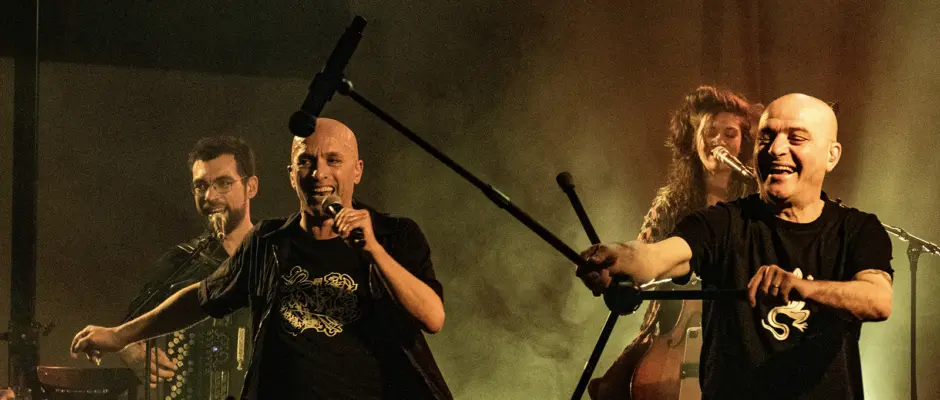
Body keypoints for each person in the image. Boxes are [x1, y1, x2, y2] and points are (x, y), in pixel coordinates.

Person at [71, 118, 452, 400]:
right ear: (291, 174)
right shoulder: (268, 242)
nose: (318, 173)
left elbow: (432, 316)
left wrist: (374, 251)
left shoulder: (394, 235)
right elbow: (200, 298)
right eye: (306, 161)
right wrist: (119, 335)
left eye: (333, 160)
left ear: (357, 170)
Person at [578, 94, 893, 399]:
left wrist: (804, 288)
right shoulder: (722, 223)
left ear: (831, 156)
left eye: (796, 138)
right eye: (766, 138)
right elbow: (656, 257)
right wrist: (618, 256)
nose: (775, 149)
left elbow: (877, 300)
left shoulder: (858, 229)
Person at [589, 86, 761, 399]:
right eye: (710, 132)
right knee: (610, 389)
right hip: (674, 330)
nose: (719, 141)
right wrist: (615, 270)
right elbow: (644, 253)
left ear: (743, 143)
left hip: (739, 328)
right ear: (693, 139)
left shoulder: (756, 201)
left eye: (730, 134)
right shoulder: (671, 202)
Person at [119, 136, 259, 398]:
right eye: (201, 186)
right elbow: (128, 327)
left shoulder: (276, 255)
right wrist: (131, 351)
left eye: (223, 183)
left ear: (250, 187)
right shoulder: (181, 261)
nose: (210, 196)